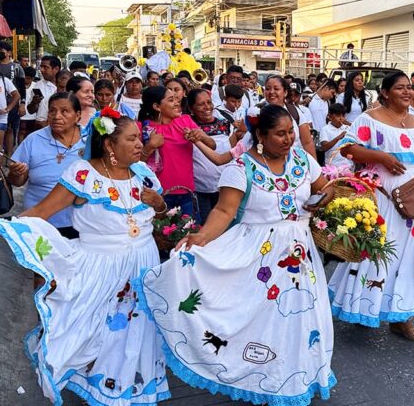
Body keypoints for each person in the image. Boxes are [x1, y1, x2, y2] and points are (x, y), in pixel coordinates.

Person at [138, 104, 336, 405]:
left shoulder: (302, 160)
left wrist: (321, 201)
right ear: (260, 135)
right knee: (261, 317)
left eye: (290, 133)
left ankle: (295, 375)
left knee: (299, 315)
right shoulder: (240, 167)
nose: (287, 140)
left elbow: (325, 187)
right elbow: (224, 209)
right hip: (259, 253)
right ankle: (263, 376)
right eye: (279, 134)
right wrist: (202, 237)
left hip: (299, 250)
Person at [0, 107, 171, 405]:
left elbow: (162, 216)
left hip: (143, 263)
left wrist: (159, 204)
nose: (140, 144)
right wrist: (7, 228)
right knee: (100, 330)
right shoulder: (83, 173)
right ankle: (101, 389)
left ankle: (127, 391)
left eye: (138, 138)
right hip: (101, 266)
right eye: (131, 139)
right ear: (109, 144)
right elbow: (41, 211)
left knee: (138, 330)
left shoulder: (143, 173)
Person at [329, 71, 414, 341]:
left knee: (412, 260)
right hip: (385, 202)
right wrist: (381, 157)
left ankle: (401, 316)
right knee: (379, 257)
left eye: (409, 88)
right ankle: (365, 305)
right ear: (385, 93)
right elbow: (347, 149)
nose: (406, 92)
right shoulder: (370, 119)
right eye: (399, 88)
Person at [9, 92, 86, 238]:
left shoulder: (89, 141)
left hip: (78, 225)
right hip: (38, 224)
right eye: (52, 111)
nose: (57, 116)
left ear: (77, 115)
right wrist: (16, 173)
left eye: (64, 111)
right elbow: (17, 182)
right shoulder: (34, 140)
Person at [139, 85, 215, 218]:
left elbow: (212, 146)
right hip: (158, 196)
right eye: (170, 100)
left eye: (176, 98)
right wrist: (150, 146)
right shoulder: (144, 128)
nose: (176, 102)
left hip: (187, 194)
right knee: (161, 236)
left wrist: (201, 135)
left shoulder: (185, 121)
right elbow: (136, 164)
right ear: (157, 107)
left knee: (189, 235)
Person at [188, 88, 244, 223]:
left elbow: (229, 149)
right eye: (201, 104)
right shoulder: (189, 127)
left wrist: (237, 135)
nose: (207, 107)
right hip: (200, 190)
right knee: (206, 227)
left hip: (224, 187)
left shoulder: (225, 124)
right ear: (191, 108)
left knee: (224, 226)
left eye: (209, 102)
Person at [0, 42, 25, 156]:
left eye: (1, 50)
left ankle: (9, 155)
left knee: (10, 129)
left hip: (12, 104)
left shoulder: (17, 68)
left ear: (9, 52)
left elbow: (21, 89)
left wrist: (22, 103)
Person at [30, 56, 60, 129]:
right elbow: (31, 111)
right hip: (41, 126)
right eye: (41, 67)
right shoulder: (38, 86)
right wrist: (34, 103)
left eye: (45, 67)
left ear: (56, 69)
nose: (42, 70)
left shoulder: (66, 84)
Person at [319, 103, 352, 169]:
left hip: (348, 165)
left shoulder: (348, 128)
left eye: (343, 116)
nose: (341, 118)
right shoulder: (325, 129)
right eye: (338, 116)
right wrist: (338, 137)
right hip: (332, 166)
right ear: (330, 116)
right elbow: (324, 147)